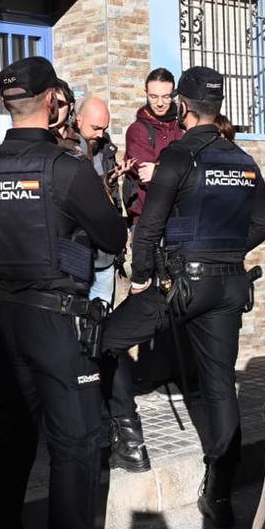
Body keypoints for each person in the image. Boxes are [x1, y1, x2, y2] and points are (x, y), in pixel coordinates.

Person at [0, 56, 132, 529]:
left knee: (12, 441)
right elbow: (113, 235)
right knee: (75, 447)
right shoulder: (66, 168)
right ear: (55, 100)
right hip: (57, 324)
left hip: (4, 319)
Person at [102, 66, 265, 529]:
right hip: (229, 284)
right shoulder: (241, 159)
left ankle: (128, 442)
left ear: (182, 106)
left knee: (105, 341)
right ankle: (219, 495)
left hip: (179, 284)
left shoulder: (178, 154)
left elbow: (152, 225)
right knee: (220, 385)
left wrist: (142, 275)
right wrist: (225, 250)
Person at [73, 96, 149, 473]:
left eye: (104, 128)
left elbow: (107, 200)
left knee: (101, 339)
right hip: (76, 261)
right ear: (77, 119)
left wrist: (118, 180)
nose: (100, 134)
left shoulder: (106, 149)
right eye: (95, 128)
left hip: (104, 259)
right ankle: (93, 419)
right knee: (81, 339)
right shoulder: (66, 150)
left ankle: (108, 424)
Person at [123, 67, 184, 227]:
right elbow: (147, 176)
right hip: (147, 218)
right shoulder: (138, 131)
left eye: (166, 97)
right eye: (153, 96)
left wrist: (157, 170)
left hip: (177, 217)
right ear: (146, 93)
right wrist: (180, 173)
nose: (159, 103)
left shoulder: (181, 129)